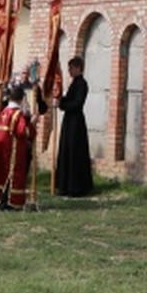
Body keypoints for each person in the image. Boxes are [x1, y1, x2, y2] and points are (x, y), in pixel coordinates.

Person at [0, 84, 35, 210]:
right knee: (14, 175)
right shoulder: (18, 114)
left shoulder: (4, 111)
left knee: (2, 173)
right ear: (22, 99)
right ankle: (12, 201)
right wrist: (29, 120)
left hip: (1, 146)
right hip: (14, 148)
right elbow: (23, 132)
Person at [53, 56, 95, 198]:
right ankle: (64, 185)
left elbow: (77, 103)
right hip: (69, 121)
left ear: (78, 68)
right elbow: (68, 99)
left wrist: (63, 105)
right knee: (66, 150)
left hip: (76, 122)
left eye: (71, 68)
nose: (69, 71)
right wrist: (60, 99)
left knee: (74, 152)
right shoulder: (74, 83)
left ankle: (76, 186)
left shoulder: (82, 84)